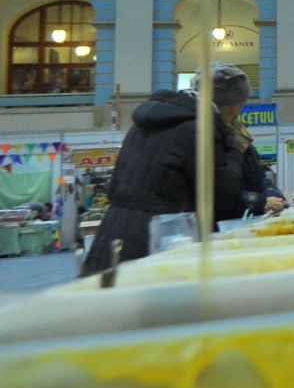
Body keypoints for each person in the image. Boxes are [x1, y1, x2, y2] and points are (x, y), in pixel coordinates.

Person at [79, 65, 252, 274]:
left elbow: (114, 187)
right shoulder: (201, 128)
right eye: (239, 106)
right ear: (232, 105)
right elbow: (220, 200)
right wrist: (235, 151)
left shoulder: (146, 122)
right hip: (160, 242)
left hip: (111, 237)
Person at [230, 121, 287, 217]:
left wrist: (273, 195)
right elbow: (224, 194)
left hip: (248, 218)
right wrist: (262, 202)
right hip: (225, 222)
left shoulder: (248, 150)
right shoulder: (219, 149)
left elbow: (261, 178)